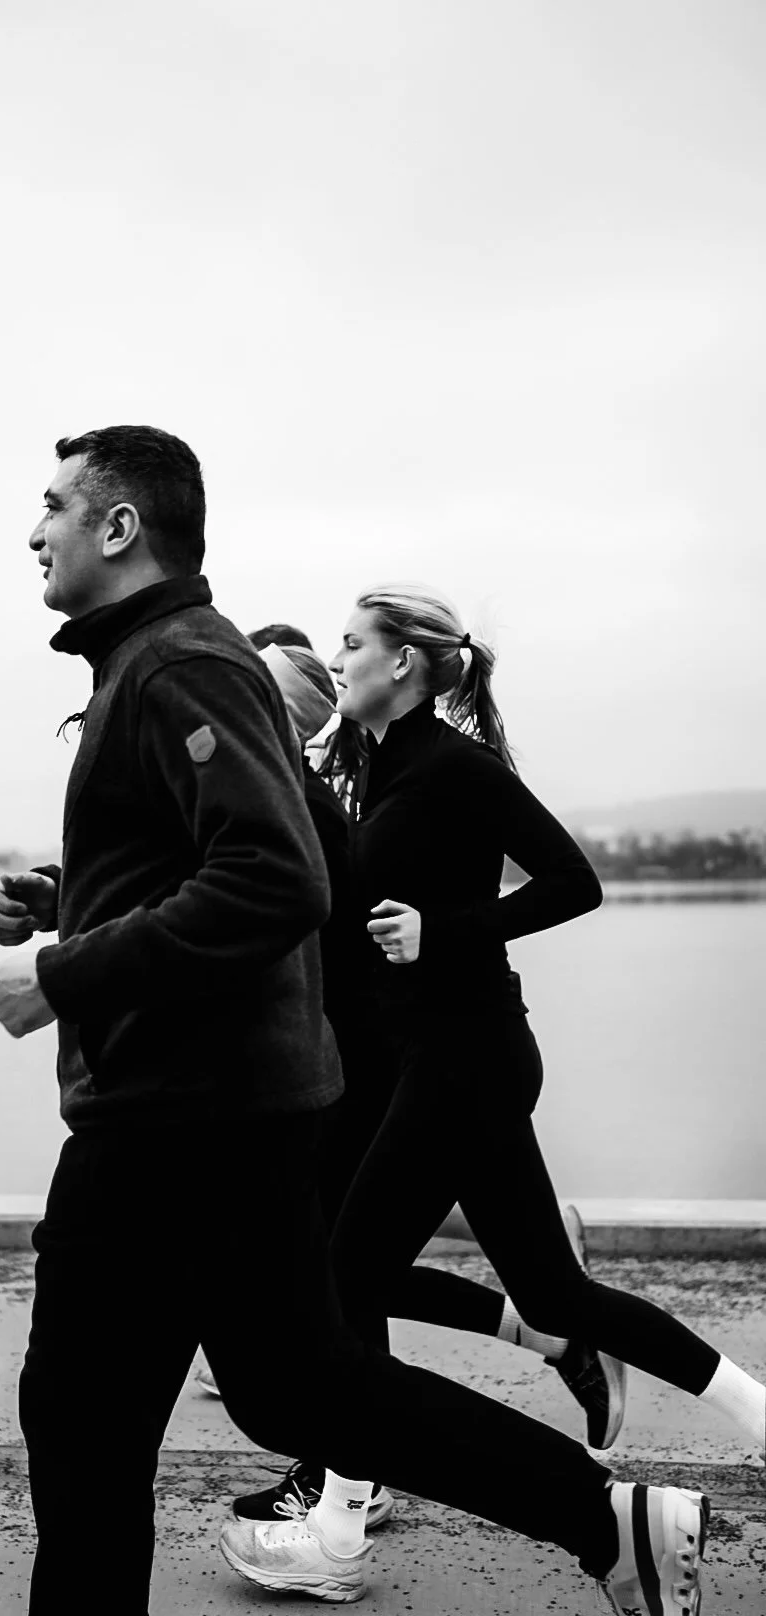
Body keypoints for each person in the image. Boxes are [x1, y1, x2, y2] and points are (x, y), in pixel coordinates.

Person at [0, 426, 710, 1616]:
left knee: (83, 1426)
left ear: (119, 527)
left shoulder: (180, 665)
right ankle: (604, 1515)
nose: (34, 529)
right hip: (219, 1112)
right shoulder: (165, 665)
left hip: (177, 1118)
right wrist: (69, 901)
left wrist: (65, 973)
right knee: (295, 1391)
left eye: (54, 505)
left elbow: (276, 880)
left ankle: (602, 1513)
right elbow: (310, 859)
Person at [226, 581, 764, 1600]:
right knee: (554, 1290)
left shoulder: (454, 766)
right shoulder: (382, 768)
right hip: (449, 1061)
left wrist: (449, 930)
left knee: (342, 1290)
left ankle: (341, 1525)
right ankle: (758, 1409)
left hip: (467, 1058)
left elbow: (572, 879)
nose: (338, 660)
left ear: (405, 664)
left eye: (350, 645)